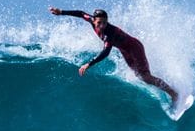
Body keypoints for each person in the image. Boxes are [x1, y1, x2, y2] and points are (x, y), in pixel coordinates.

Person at [49, 7, 178, 104]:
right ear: (94, 20)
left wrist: (89, 64)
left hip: (135, 48)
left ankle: (173, 93)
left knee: (145, 76)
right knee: (140, 76)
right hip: (125, 51)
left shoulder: (108, 34)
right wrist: (61, 12)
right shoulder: (92, 20)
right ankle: (168, 85)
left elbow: (106, 52)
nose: (102, 26)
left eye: (104, 23)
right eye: (99, 23)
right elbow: (81, 13)